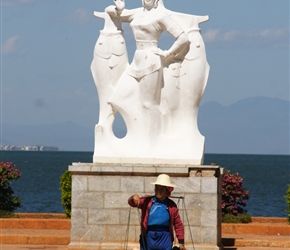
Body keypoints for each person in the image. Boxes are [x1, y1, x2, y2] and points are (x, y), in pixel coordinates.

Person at [128, 174, 186, 250]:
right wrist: (133, 197)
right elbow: (132, 203)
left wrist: (181, 242)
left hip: (165, 237)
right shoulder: (147, 201)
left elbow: (178, 224)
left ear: (167, 191)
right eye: (157, 188)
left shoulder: (171, 206)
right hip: (149, 236)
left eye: (161, 189)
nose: (158, 191)